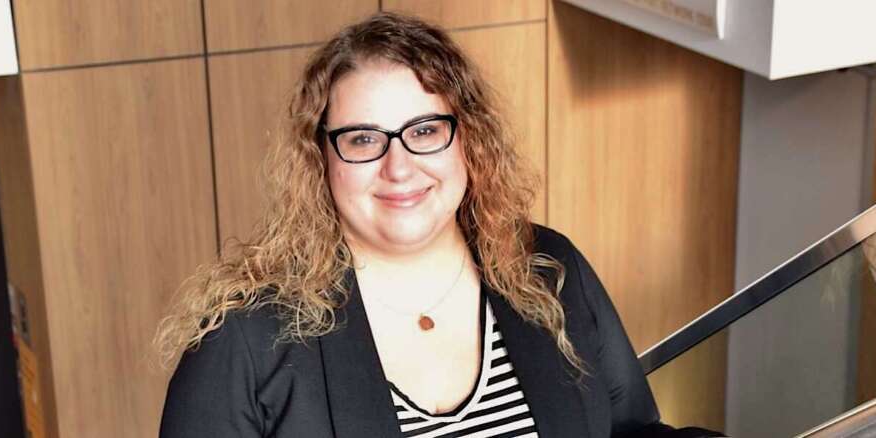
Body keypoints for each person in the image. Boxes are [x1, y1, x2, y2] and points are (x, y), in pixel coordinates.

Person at [156, 11, 725, 438]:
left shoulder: (547, 266)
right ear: (319, 159)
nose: (399, 166)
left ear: (467, 139)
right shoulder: (245, 338)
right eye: (362, 139)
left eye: (425, 130)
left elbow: (629, 431)